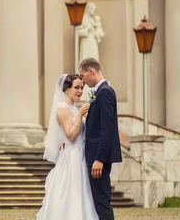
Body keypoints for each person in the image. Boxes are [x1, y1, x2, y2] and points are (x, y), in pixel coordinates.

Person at [36, 74, 99, 219]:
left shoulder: (74, 108)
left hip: (81, 154)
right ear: (66, 89)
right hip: (72, 158)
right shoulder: (63, 108)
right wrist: (80, 116)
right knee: (72, 194)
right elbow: (70, 135)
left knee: (83, 195)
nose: (80, 91)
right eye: (76, 87)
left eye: (81, 88)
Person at [80, 57, 122, 220]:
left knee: (101, 201)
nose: (82, 81)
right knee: (97, 200)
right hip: (95, 155)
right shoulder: (100, 91)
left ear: (91, 71)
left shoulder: (104, 92)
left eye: (82, 76)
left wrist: (99, 159)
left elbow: (107, 128)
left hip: (98, 158)